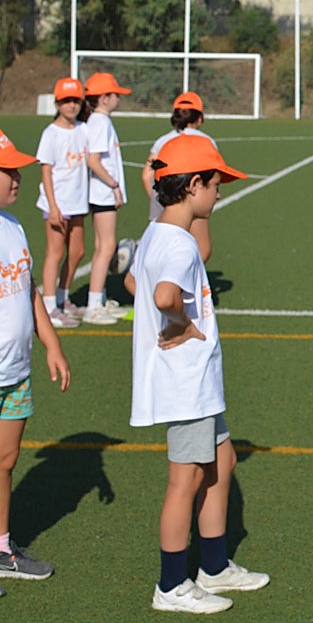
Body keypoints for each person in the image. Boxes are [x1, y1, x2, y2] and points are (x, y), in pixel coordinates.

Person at [124, 135, 268, 614]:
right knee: (183, 482)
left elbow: (135, 281)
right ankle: (170, 586)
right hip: (184, 384)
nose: (220, 193)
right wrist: (182, 324)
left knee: (221, 464)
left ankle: (214, 565)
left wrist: (166, 313)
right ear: (192, 186)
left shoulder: (157, 234)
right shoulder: (181, 244)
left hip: (197, 384)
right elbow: (165, 295)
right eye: (215, 183)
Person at [0, 129, 71, 589]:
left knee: (5, 460)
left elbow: (29, 293)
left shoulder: (13, 226)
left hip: (15, 372)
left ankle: (2, 547)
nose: (18, 178)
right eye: (8, 170)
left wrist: (52, 344)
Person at [35, 77, 90, 329]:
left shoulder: (83, 129)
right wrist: (53, 207)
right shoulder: (51, 134)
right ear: (57, 103)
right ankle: (48, 307)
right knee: (55, 253)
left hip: (78, 203)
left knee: (77, 252)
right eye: (66, 101)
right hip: (57, 204)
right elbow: (46, 171)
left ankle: (62, 296)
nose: (71, 106)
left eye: (75, 100)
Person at [141, 92, 218, 262]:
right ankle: (182, 285)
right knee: (200, 251)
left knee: (160, 252)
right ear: (199, 118)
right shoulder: (205, 141)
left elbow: (147, 175)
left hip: (164, 201)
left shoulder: (163, 141)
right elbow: (211, 178)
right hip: (190, 201)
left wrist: (161, 200)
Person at [82, 72, 133, 325]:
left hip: (101, 192)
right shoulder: (100, 122)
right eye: (115, 95)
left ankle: (99, 299)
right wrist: (114, 186)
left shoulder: (98, 121)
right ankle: (94, 306)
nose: (118, 99)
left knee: (103, 246)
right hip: (102, 192)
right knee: (106, 247)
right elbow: (94, 160)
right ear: (103, 98)